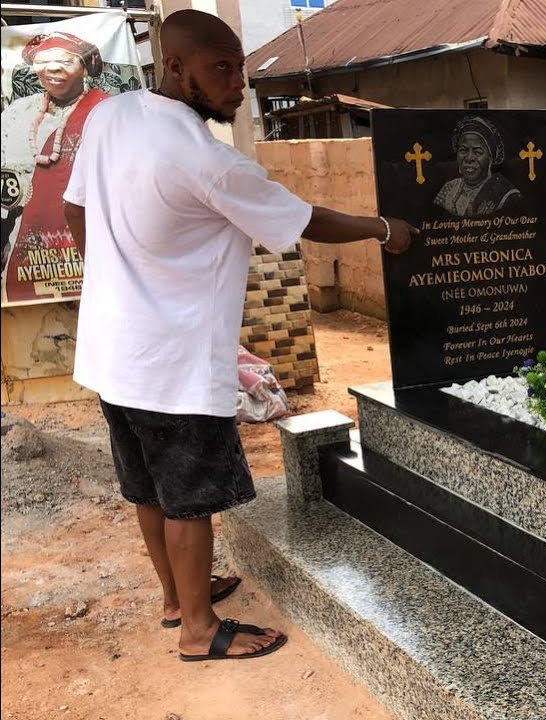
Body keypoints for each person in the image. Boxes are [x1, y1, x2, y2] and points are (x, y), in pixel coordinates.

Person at [62, 10, 417, 662]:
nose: (237, 84)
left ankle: (178, 598)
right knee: (189, 499)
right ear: (175, 66)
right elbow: (307, 220)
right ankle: (198, 631)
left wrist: (113, 283)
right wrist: (384, 230)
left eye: (241, 68)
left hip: (112, 353)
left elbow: (73, 207)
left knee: (146, 486)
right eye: (221, 69)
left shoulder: (109, 118)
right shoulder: (208, 161)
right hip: (171, 364)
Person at [0, 32, 111, 302]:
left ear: (85, 68)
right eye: (43, 61)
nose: (52, 69)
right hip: (26, 250)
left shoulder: (109, 111)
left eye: (64, 60)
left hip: (94, 243)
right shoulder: (18, 113)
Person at [433, 115, 522, 217]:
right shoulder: (449, 189)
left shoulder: (505, 195)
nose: (469, 158)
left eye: (478, 152)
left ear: (490, 158)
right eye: (463, 150)